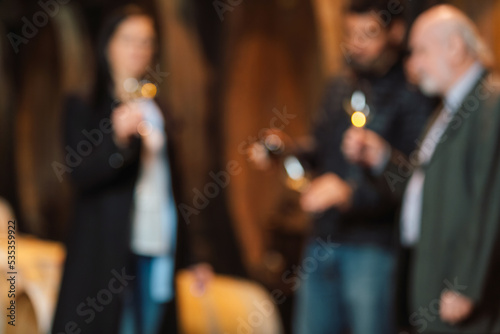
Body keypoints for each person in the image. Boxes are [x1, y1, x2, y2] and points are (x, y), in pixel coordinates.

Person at [250, 1, 433, 333]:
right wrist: (283, 150)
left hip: (373, 246)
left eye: (369, 33)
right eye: (351, 34)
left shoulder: (412, 94)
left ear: (395, 32)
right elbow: (319, 150)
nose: (357, 43)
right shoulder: (340, 87)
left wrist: (350, 193)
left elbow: (416, 183)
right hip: (322, 239)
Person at [342, 5, 500, 333]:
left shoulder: (491, 103)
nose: (413, 65)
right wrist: (383, 159)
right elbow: (422, 188)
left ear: (454, 47)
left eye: (420, 52)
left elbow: (491, 199)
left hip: (460, 290)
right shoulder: (445, 110)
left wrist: (465, 283)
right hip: (430, 276)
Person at [52, 6, 183, 333]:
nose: (138, 49)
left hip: (157, 245)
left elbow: (171, 185)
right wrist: (116, 142)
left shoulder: (156, 107)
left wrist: (192, 258)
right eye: (129, 40)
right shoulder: (84, 104)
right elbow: (78, 174)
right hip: (109, 250)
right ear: (108, 44)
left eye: (146, 41)